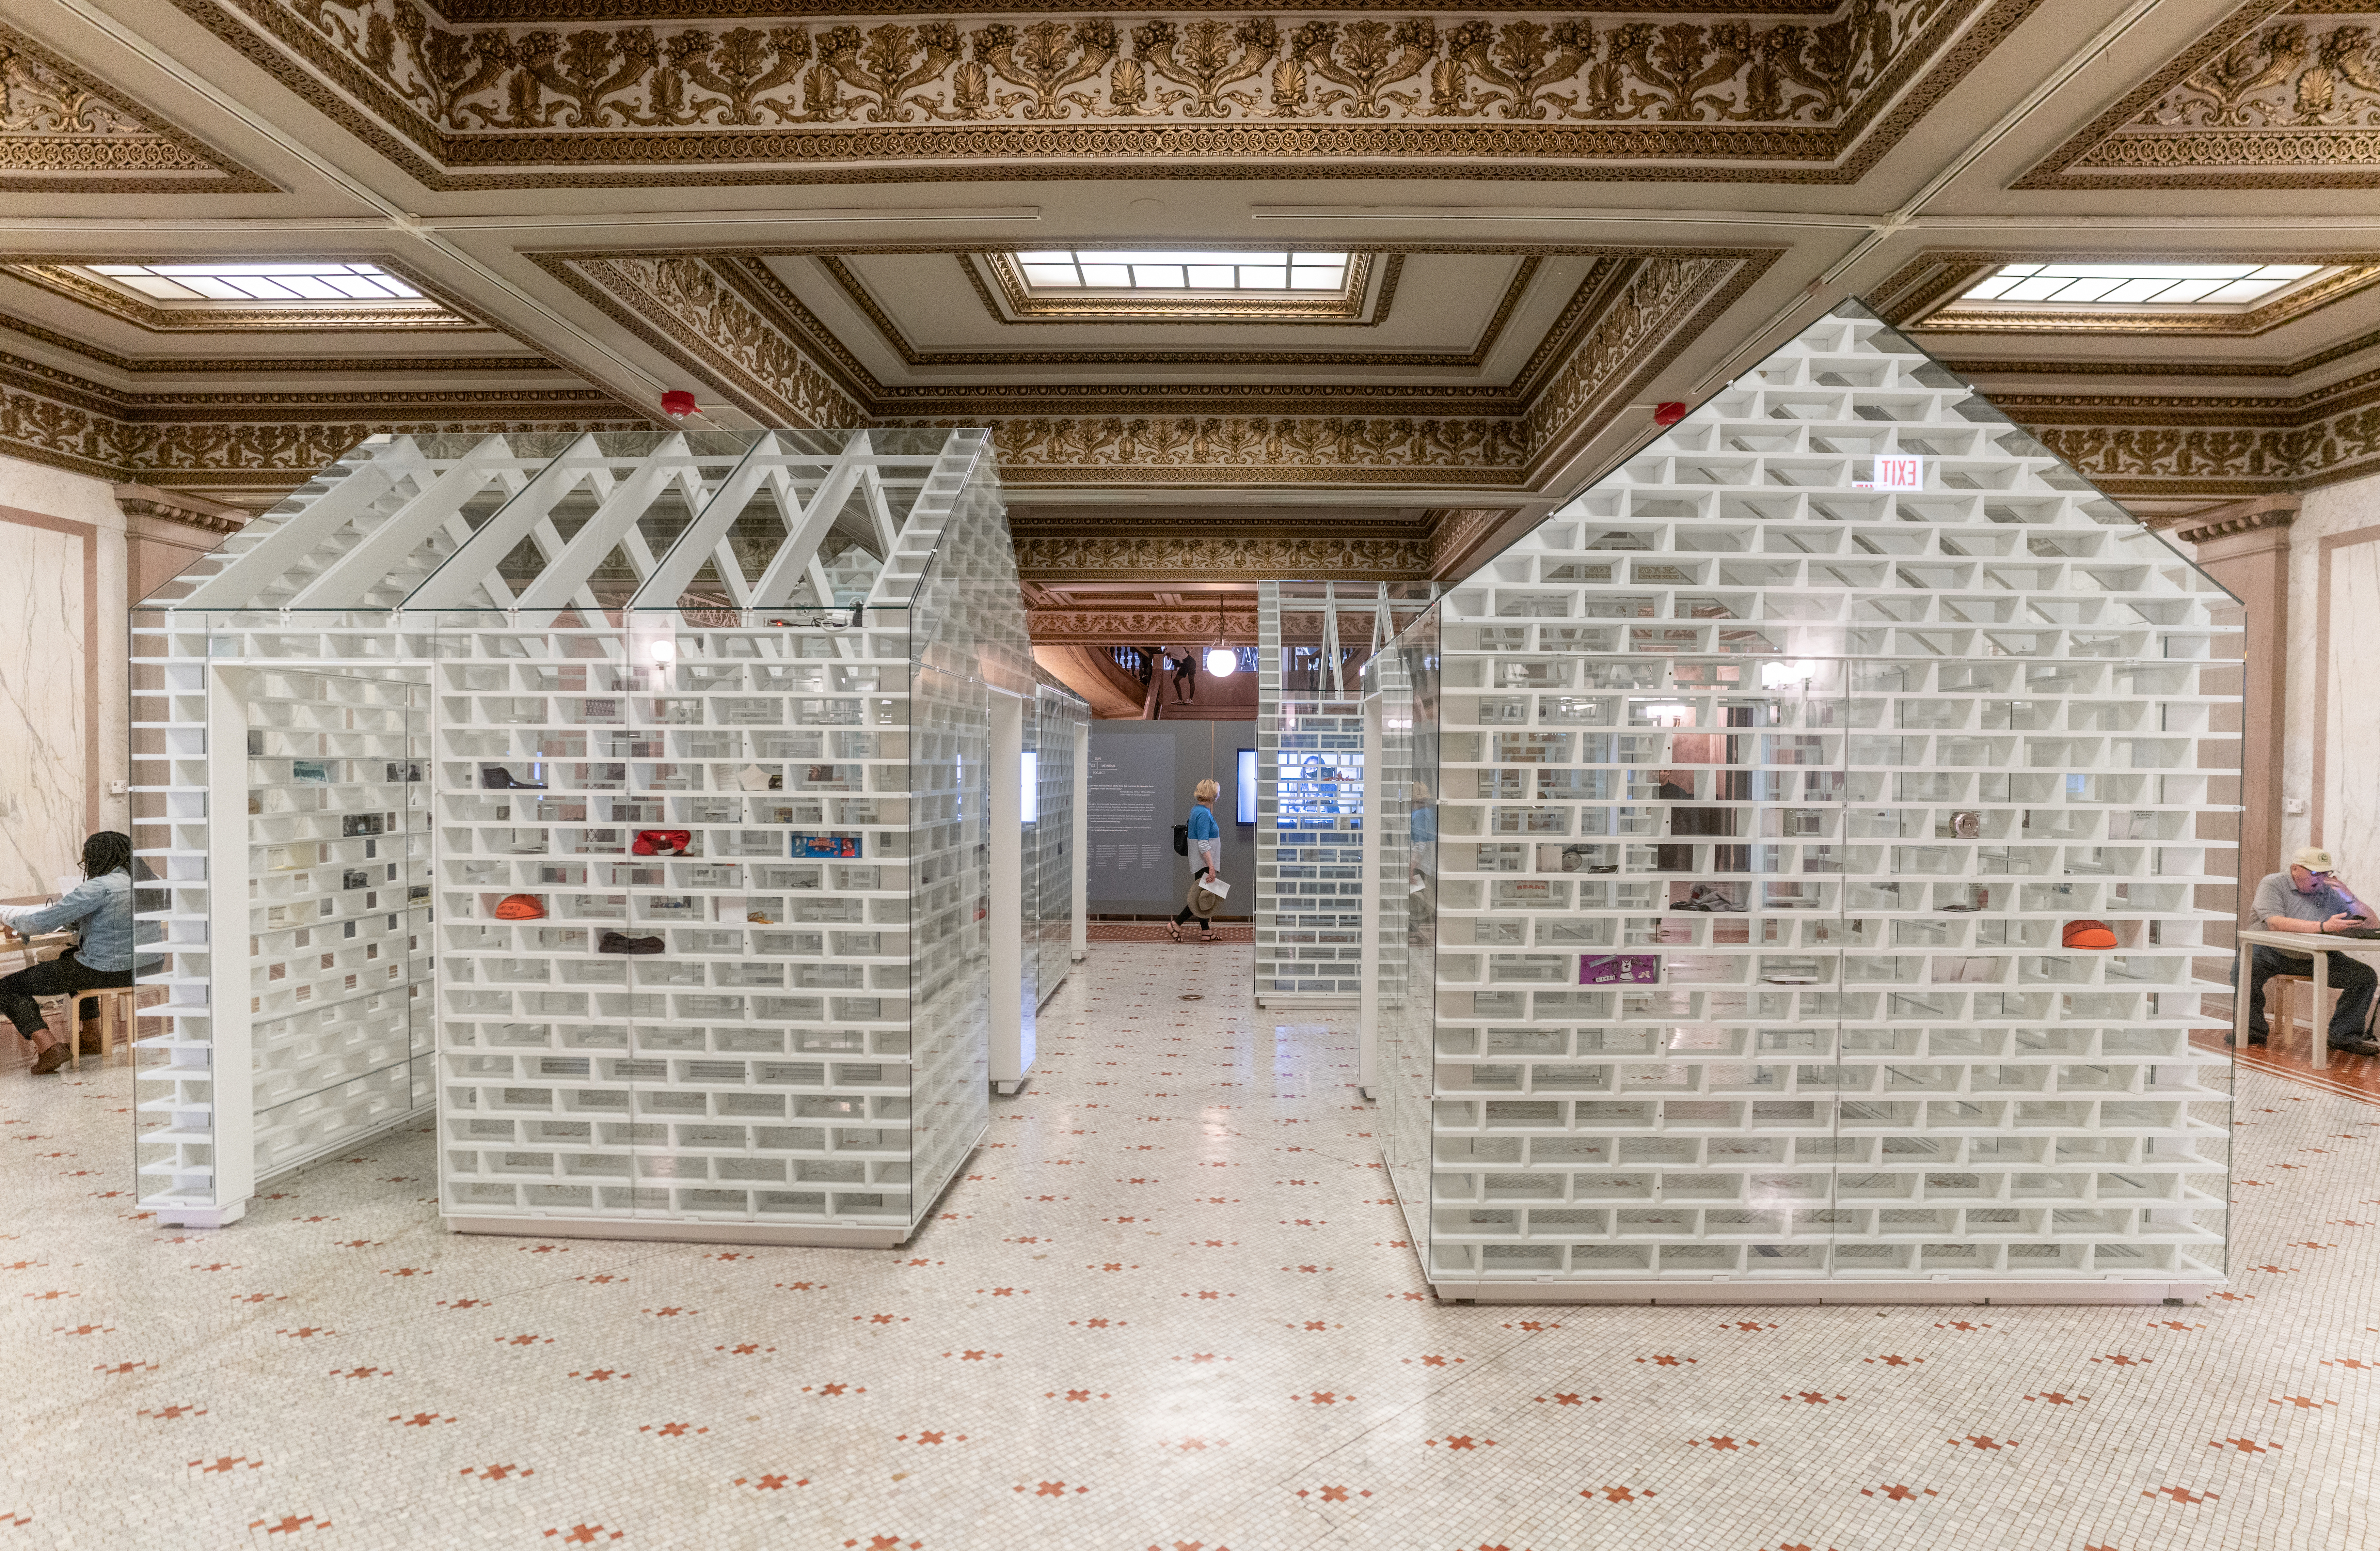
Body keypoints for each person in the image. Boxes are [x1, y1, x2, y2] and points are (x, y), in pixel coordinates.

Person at [0, 832, 138, 1076]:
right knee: (69, 957)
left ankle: (49, 1047)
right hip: (145, 969)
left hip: (108, 972)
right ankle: (92, 1036)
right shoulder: (148, 882)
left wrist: (12, 921)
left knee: (7, 988)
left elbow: (41, 923)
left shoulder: (99, 887)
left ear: (97, 858)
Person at [2234, 845, 2380, 1056]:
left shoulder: (2331, 891)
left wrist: (2349, 896)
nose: (2320, 879)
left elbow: (2373, 924)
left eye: (2325, 873)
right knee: (2243, 969)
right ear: (2295, 869)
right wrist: (2324, 927)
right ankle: (2252, 1032)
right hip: (2271, 951)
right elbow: (2276, 923)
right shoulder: (2273, 883)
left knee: (2364, 977)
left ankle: (2344, 1036)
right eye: (2314, 872)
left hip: (2314, 956)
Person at [1170, 778, 1222, 943]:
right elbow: (1203, 843)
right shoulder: (1204, 814)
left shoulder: (1197, 810)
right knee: (1200, 899)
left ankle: (1206, 932)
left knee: (1202, 897)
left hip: (1201, 862)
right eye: (1217, 792)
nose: (1218, 795)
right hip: (1204, 863)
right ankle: (1175, 925)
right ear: (1212, 794)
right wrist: (1211, 866)